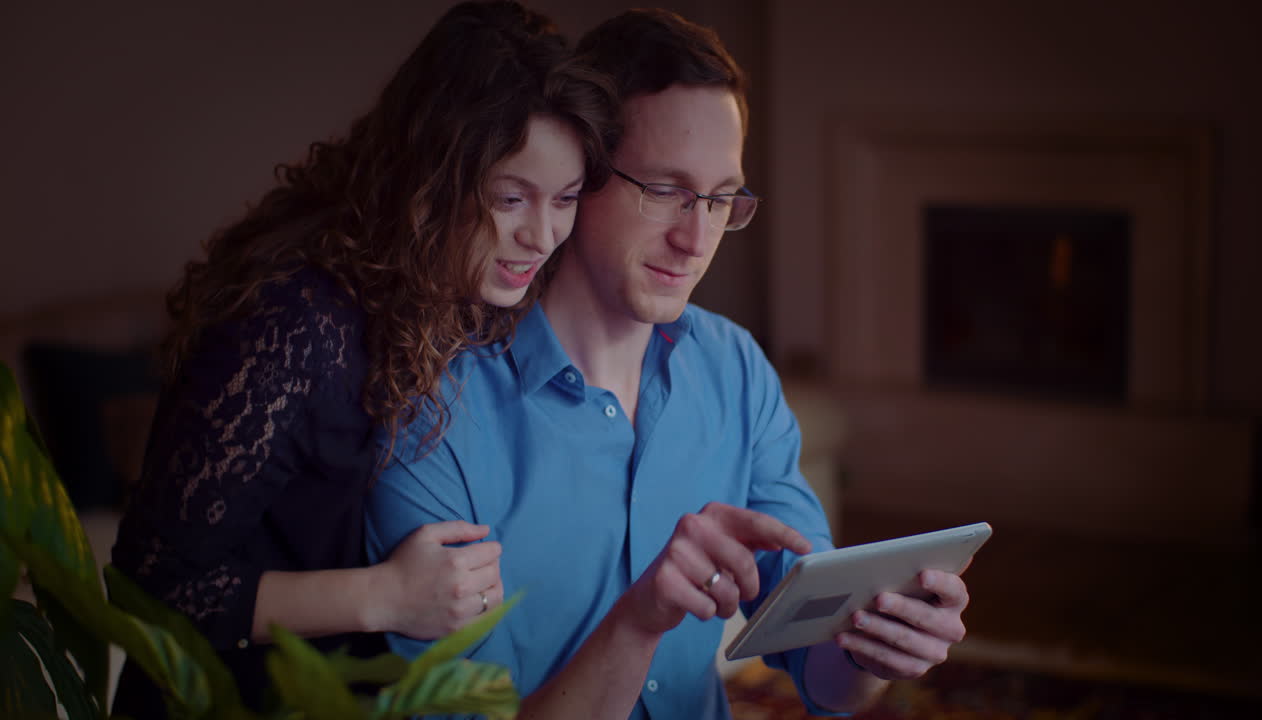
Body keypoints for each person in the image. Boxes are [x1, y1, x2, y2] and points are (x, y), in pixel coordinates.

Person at [365, 7, 974, 720]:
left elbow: (824, 675)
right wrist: (639, 620)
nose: (696, 239)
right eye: (665, 191)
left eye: (720, 200)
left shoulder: (736, 371)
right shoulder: (435, 414)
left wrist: (878, 646)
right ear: (582, 171)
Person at [108, 1, 615, 716]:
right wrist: (385, 596)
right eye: (510, 197)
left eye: (563, 200)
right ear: (433, 177)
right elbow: (148, 584)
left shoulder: (463, 291)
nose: (542, 234)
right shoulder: (295, 320)